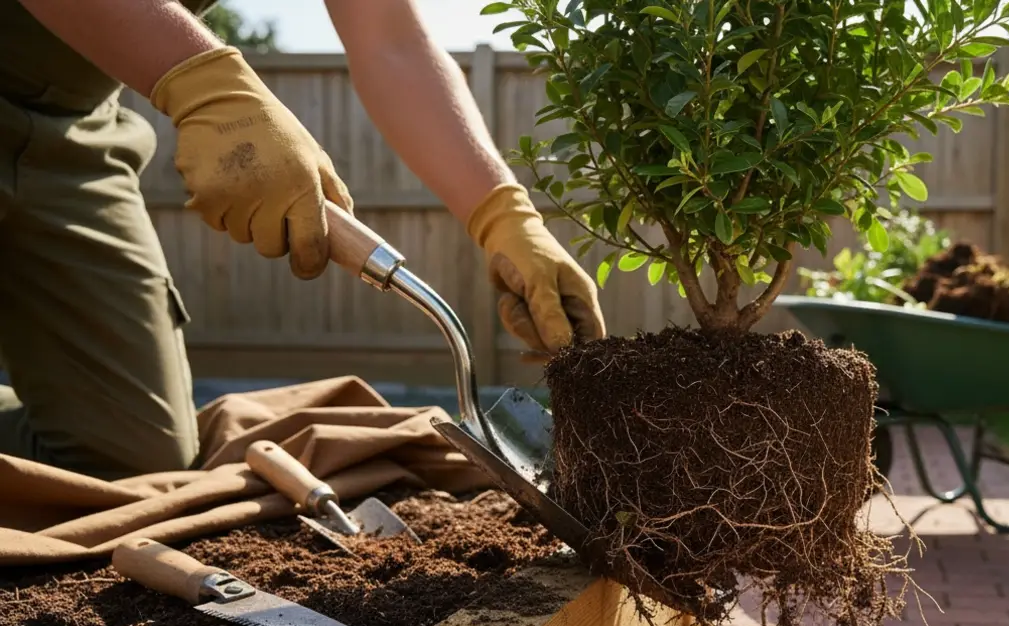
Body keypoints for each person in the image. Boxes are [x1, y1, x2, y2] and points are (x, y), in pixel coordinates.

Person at [0, 0, 606, 480]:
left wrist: (502, 213)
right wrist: (204, 81)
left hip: (69, 138)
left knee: (129, 457)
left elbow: (389, 39)